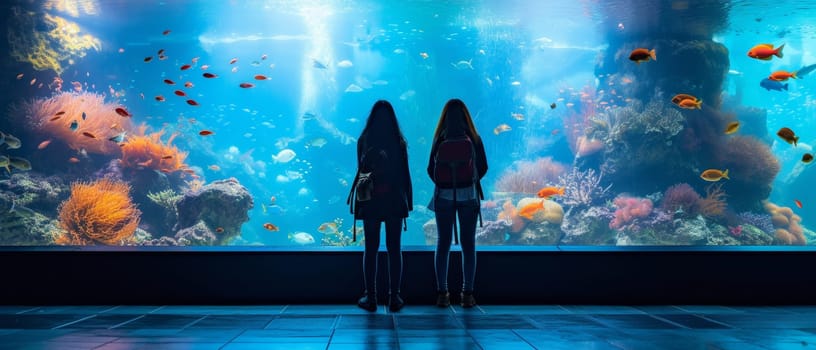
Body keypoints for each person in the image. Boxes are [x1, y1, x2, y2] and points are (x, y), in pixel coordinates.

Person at [350, 100, 413, 312]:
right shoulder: (399, 141)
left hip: (371, 201)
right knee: (395, 249)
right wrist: (408, 202)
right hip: (395, 200)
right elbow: (405, 174)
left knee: (371, 249)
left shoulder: (364, 139)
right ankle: (394, 297)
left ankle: (372, 297)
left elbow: (361, 171)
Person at [427, 98, 488, 308]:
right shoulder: (473, 136)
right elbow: (484, 166)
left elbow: (429, 169)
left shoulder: (440, 137)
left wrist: (445, 184)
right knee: (468, 244)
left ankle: (442, 293)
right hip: (469, 196)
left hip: (443, 196)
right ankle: (467, 294)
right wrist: (469, 180)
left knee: (442, 243)